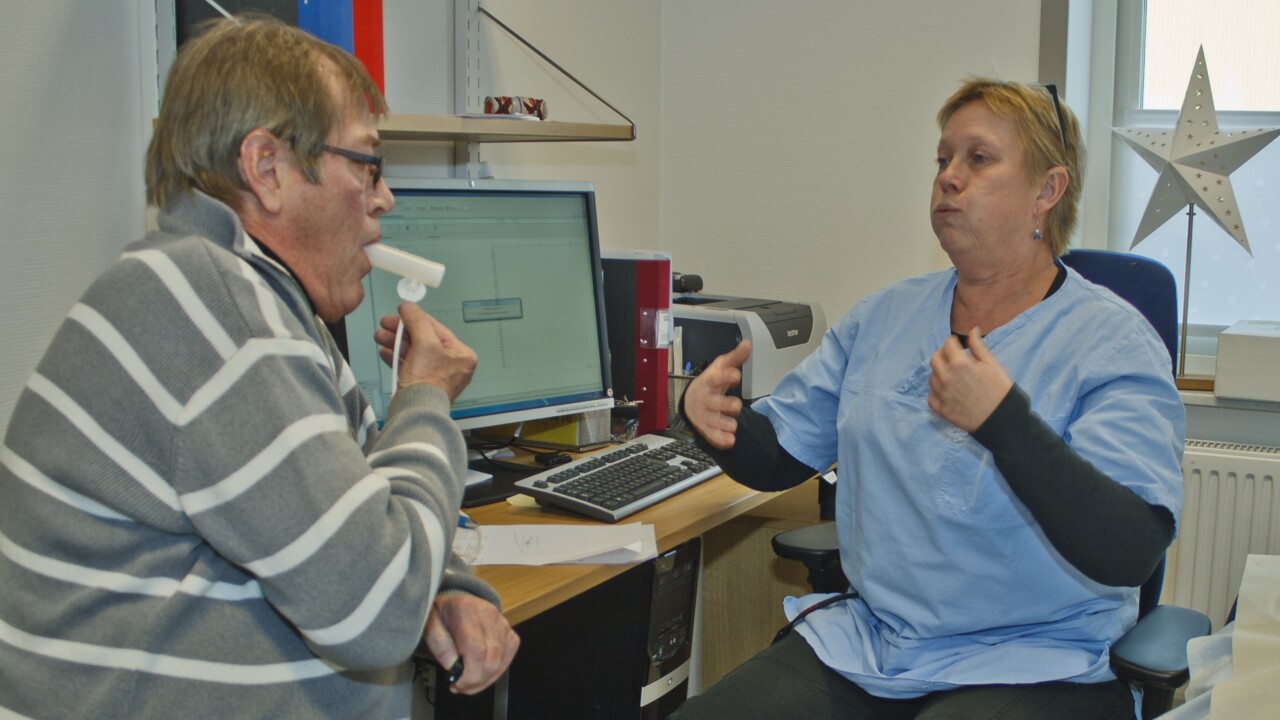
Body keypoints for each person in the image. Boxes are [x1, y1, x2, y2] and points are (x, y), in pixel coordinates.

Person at [0, 15, 517, 719]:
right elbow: (379, 608)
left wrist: (449, 586)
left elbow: (372, 514)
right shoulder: (209, 306)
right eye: (367, 165)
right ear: (267, 169)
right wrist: (424, 398)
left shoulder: (259, 305)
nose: (384, 199)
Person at [673, 79, 1185, 719]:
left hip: (1037, 662)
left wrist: (1005, 423)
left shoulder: (1112, 343)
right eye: (943, 160)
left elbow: (1129, 551)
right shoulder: (885, 317)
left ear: (1046, 192)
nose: (948, 178)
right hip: (876, 646)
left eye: (979, 159)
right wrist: (712, 418)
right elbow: (778, 458)